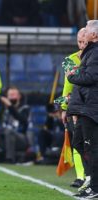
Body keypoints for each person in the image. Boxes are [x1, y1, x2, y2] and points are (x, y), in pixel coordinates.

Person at [66, 20, 98, 198]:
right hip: (86, 106)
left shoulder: (95, 52)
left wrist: (73, 75)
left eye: (86, 32)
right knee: (79, 142)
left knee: (91, 147)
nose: (83, 35)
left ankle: (95, 186)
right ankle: (92, 180)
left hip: (92, 107)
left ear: (94, 35)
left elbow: (91, 77)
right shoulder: (90, 52)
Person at [60, 28, 87, 188]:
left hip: (92, 104)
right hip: (77, 104)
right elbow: (67, 86)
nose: (82, 45)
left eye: (85, 42)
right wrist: (64, 107)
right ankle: (80, 176)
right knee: (78, 140)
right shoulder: (69, 60)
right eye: (79, 42)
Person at [0, 86, 30, 163]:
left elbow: (22, 119)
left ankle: (10, 159)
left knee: (9, 131)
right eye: (9, 95)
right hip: (6, 136)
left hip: (21, 138)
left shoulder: (25, 108)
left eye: (13, 95)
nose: (11, 97)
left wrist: (10, 106)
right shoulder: (5, 110)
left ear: (19, 96)